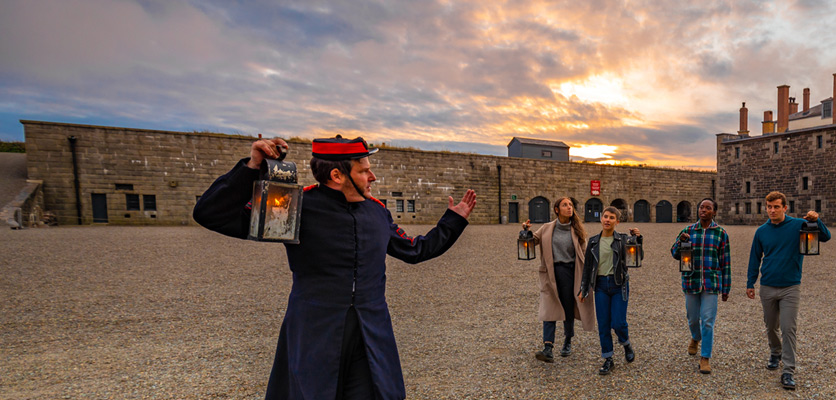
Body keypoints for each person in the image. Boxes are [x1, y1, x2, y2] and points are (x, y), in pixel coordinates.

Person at [193, 136, 476, 399]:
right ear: (337, 175)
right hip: (315, 334)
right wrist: (252, 168)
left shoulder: (376, 211)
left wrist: (453, 221)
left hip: (370, 336)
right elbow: (210, 213)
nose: (372, 176)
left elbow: (415, 249)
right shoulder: (293, 206)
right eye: (364, 170)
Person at [746, 191, 830, 391]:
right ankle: (775, 352)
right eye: (769, 207)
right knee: (771, 326)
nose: (772, 210)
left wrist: (817, 221)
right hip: (767, 286)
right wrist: (750, 283)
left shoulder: (798, 225)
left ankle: (788, 371)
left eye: (776, 206)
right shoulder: (761, 231)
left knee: (788, 328)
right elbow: (754, 258)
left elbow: (825, 237)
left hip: (790, 287)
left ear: (785, 207)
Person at [522, 198, 596, 363]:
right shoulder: (547, 228)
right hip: (551, 272)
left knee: (568, 307)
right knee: (550, 307)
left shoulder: (576, 229)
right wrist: (526, 232)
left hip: (570, 272)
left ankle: (567, 341)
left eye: (570, 205)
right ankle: (548, 347)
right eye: (565, 205)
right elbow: (532, 242)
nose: (569, 208)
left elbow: (583, 255)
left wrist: (586, 280)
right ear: (557, 209)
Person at [578, 206, 642, 375]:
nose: (607, 220)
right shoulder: (593, 241)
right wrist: (583, 289)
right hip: (600, 286)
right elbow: (588, 268)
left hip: (618, 284)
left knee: (618, 323)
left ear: (617, 221)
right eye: (605, 216)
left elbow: (637, 258)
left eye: (611, 217)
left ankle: (626, 343)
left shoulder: (623, 239)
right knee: (604, 325)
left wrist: (637, 240)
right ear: (601, 219)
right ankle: (608, 358)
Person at [670, 198, 731, 375]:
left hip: (711, 283)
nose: (703, 210)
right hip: (691, 281)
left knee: (708, 321)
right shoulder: (688, 231)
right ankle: (695, 338)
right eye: (701, 207)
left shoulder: (720, 233)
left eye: (708, 208)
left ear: (714, 212)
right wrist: (681, 242)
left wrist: (725, 288)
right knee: (692, 318)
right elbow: (674, 254)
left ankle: (705, 357)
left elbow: (725, 263)